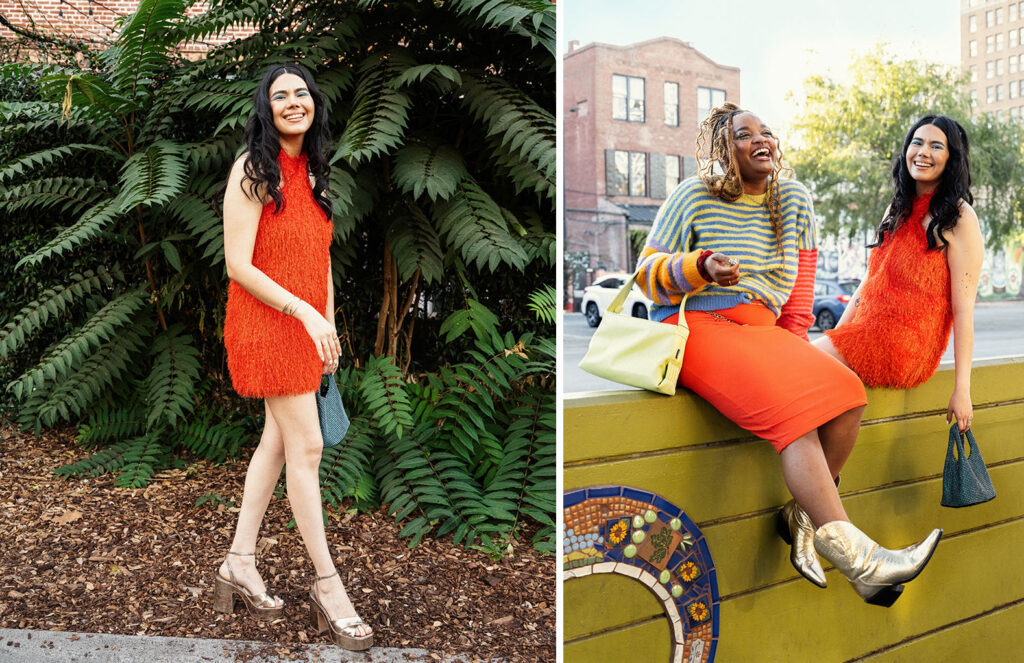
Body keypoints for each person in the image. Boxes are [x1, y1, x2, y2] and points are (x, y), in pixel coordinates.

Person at [636, 102, 941, 606]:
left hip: (761, 330)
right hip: (697, 324)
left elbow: (798, 300)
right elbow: (646, 274)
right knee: (795, 419)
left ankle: (803, 518)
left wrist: (796, 357)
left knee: (845, 392)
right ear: (722, 149)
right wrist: (700, 267)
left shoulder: (795, 201)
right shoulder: (693, 196)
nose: (760, 139)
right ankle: (863, 561)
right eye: (743, 134)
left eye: (766, 131)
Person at [216, 63, 373, 651]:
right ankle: (328, 586)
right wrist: (304, 315)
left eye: (300, 93)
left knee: (277, 444)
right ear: (266, 109)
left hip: (305, 328)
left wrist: (326, 323)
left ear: (314, 104)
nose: (292, 102)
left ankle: (239, 562)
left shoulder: (314, 172)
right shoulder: (252, 170)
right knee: (306, 446)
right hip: (265, 325)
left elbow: (320, 258)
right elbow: (239, 263)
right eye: (279, 96)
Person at [814, 115, 983, 435]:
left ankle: (820, 480)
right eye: (917, 143)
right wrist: (832, 337)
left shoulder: (959, 217)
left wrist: (963, 390)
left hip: (904, 346)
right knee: (817, 389)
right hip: (866, 333)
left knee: (800, 366)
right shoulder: (898, 207)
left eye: (936, 146)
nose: (923, 151)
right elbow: (868, 282)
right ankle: (827, 481)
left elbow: (963, 311)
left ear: (951, 158)